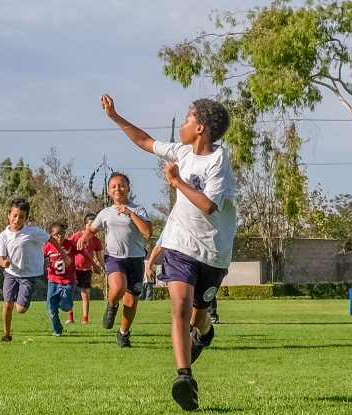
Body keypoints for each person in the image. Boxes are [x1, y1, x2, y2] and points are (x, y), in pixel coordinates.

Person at [101, 94, 236, 411]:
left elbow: (208, 205)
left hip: (213, 253)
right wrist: (115, 117)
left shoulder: (219, 161)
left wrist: (176, 181)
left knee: (198, 319)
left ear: (200, 127)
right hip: (179, 245)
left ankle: (204, 333)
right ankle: (184, 377)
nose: (183, 122)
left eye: (188, 118)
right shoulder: (181, 151)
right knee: (179, 305)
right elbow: (145, 140)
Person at [77, 172, 152, 348]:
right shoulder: (105, 213)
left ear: (128, 187)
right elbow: (92, 229)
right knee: (118, 287)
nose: (118, 189)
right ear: (109, 192)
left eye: (121, 185)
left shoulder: (138, 209)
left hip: (135, 259)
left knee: (131, 301)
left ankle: (123, 333)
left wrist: (130, 213)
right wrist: (84, 237)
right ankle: (111, 305)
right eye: (113, 186)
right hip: (114, 257)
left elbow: (148, 233)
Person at [0, 198, 71, 342]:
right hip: (11, 273)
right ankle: (6, 334)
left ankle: (22, 298)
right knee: (7, 303)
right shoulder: (4, 235)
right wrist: (3, 262)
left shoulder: (33, 232)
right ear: (9, 215)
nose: (17, 219)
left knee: (20, 309)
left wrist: (64, 256)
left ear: (26, 218)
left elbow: (52, 239)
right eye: (15, 215)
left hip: (28, 275)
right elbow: (0, 257)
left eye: (21, 217)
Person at [43, 221, 80, 336]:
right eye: (56, 234)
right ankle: (57, 329)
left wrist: (94, 264)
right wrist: (45, 263)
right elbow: (40, 258)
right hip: (53, 281)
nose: (60, 236)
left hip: (68, 281)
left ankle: (62, 302)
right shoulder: (47, 247)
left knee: (66, 306)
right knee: (50, 309)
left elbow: (82, 251)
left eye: (62, 233)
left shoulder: (69, 245)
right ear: (51, 236)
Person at [67, 213, 105, 324]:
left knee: (85, 293)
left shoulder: (96, 240)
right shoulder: (77, 235)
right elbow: (67, 247)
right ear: (85, 225)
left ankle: (85, 318)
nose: (92, 226)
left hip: (86, 270)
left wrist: (105, 268)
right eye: (90, 224)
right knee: (69, 291)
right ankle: (70, 317)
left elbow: (99, 256)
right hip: (74, 268)